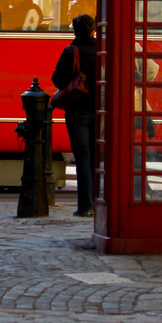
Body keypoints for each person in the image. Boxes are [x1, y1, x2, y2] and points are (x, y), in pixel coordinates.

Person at [51, 13, 96, 217]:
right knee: (96, 158)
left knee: (83, 158)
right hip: (100, 110)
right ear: (93, 30)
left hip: (77, 109)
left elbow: (58, 80)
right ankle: (99, 203)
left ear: (75, 31)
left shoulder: (71, 51)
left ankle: (86, 206)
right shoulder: (103, 50)